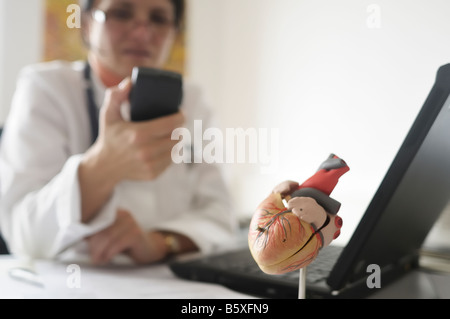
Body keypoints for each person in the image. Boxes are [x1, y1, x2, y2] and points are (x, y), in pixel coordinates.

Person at [0, 0, 236, 265]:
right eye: (121, 13)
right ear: (87, 24)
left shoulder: (193, 102)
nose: (142, 34)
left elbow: (222, 216)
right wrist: (103, 166)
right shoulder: (47, 88)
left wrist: (160, 242)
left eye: (158, 19)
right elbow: (22, 235)